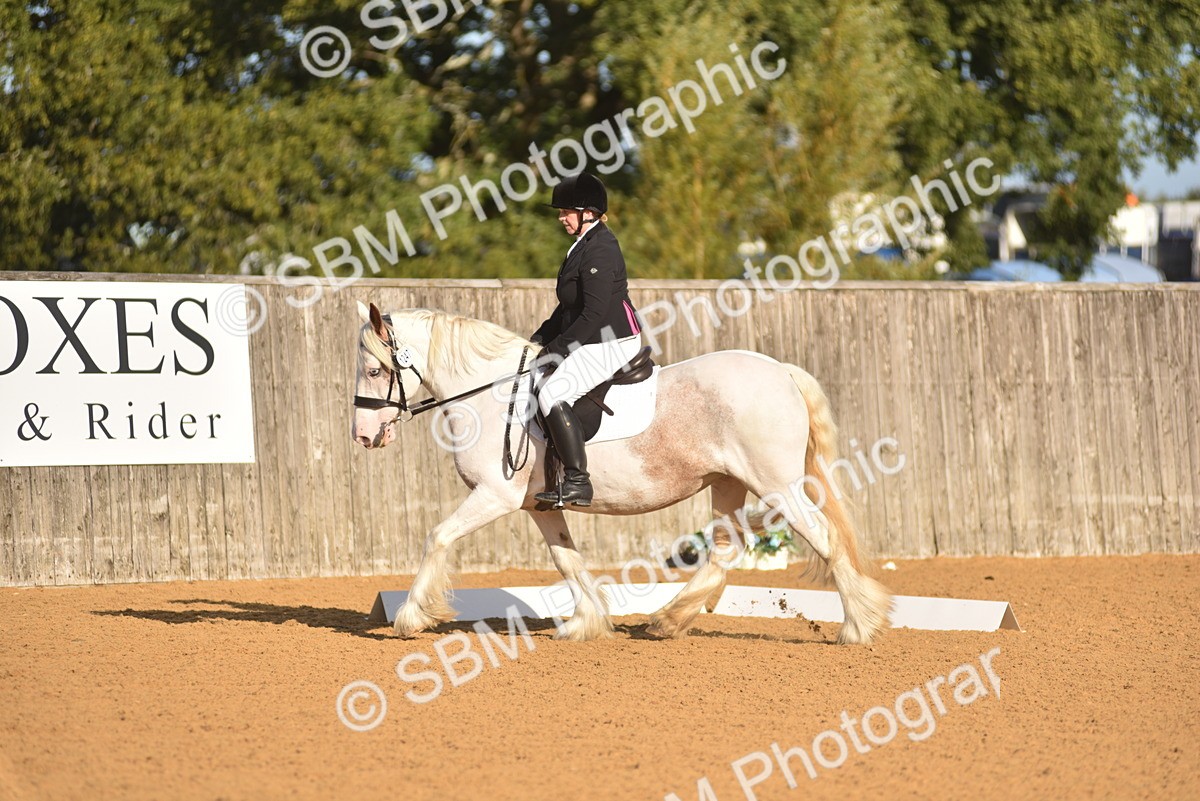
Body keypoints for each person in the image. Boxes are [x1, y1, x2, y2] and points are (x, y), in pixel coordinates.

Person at [530, 171, 642, 507]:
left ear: (588, 213)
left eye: (566, 212)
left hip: (612, 339)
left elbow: (593, 314)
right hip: (594, 336)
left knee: (551, 392)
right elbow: (568, 306)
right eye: (561, 213)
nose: (561, 218)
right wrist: (538, 339)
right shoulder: (581, 246)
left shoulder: (601, 249)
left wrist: (558, 350)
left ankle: (578, 481)